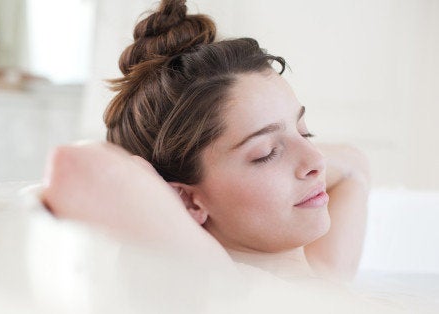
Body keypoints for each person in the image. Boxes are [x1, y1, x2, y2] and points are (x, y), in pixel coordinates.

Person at [42, 0, 370, 283]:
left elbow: (355, 166)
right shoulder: (227, 287)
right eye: (266, 154)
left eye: (303, 131)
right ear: (188, 202)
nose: (316, 162)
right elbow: (74, 167)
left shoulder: (325, 272)